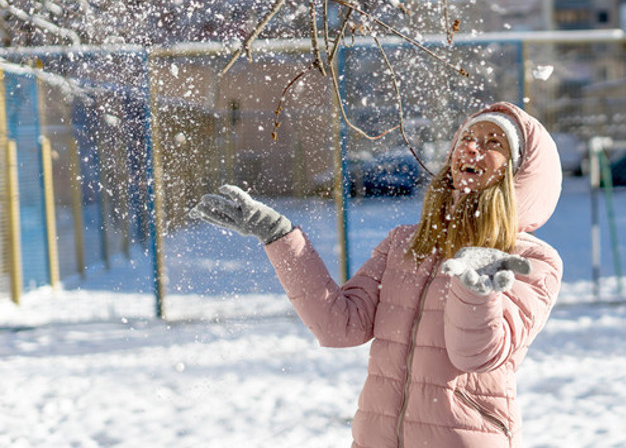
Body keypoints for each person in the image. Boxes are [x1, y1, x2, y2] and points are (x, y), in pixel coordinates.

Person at [190, 101, 563, 448]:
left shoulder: (530, 259)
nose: (471, 148)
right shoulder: (405, 243)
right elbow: (340, 325)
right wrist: (279, 236)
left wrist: (476, 291)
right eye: (466, 137)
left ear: (520, 168)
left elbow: (476, 356)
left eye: (493, 142)